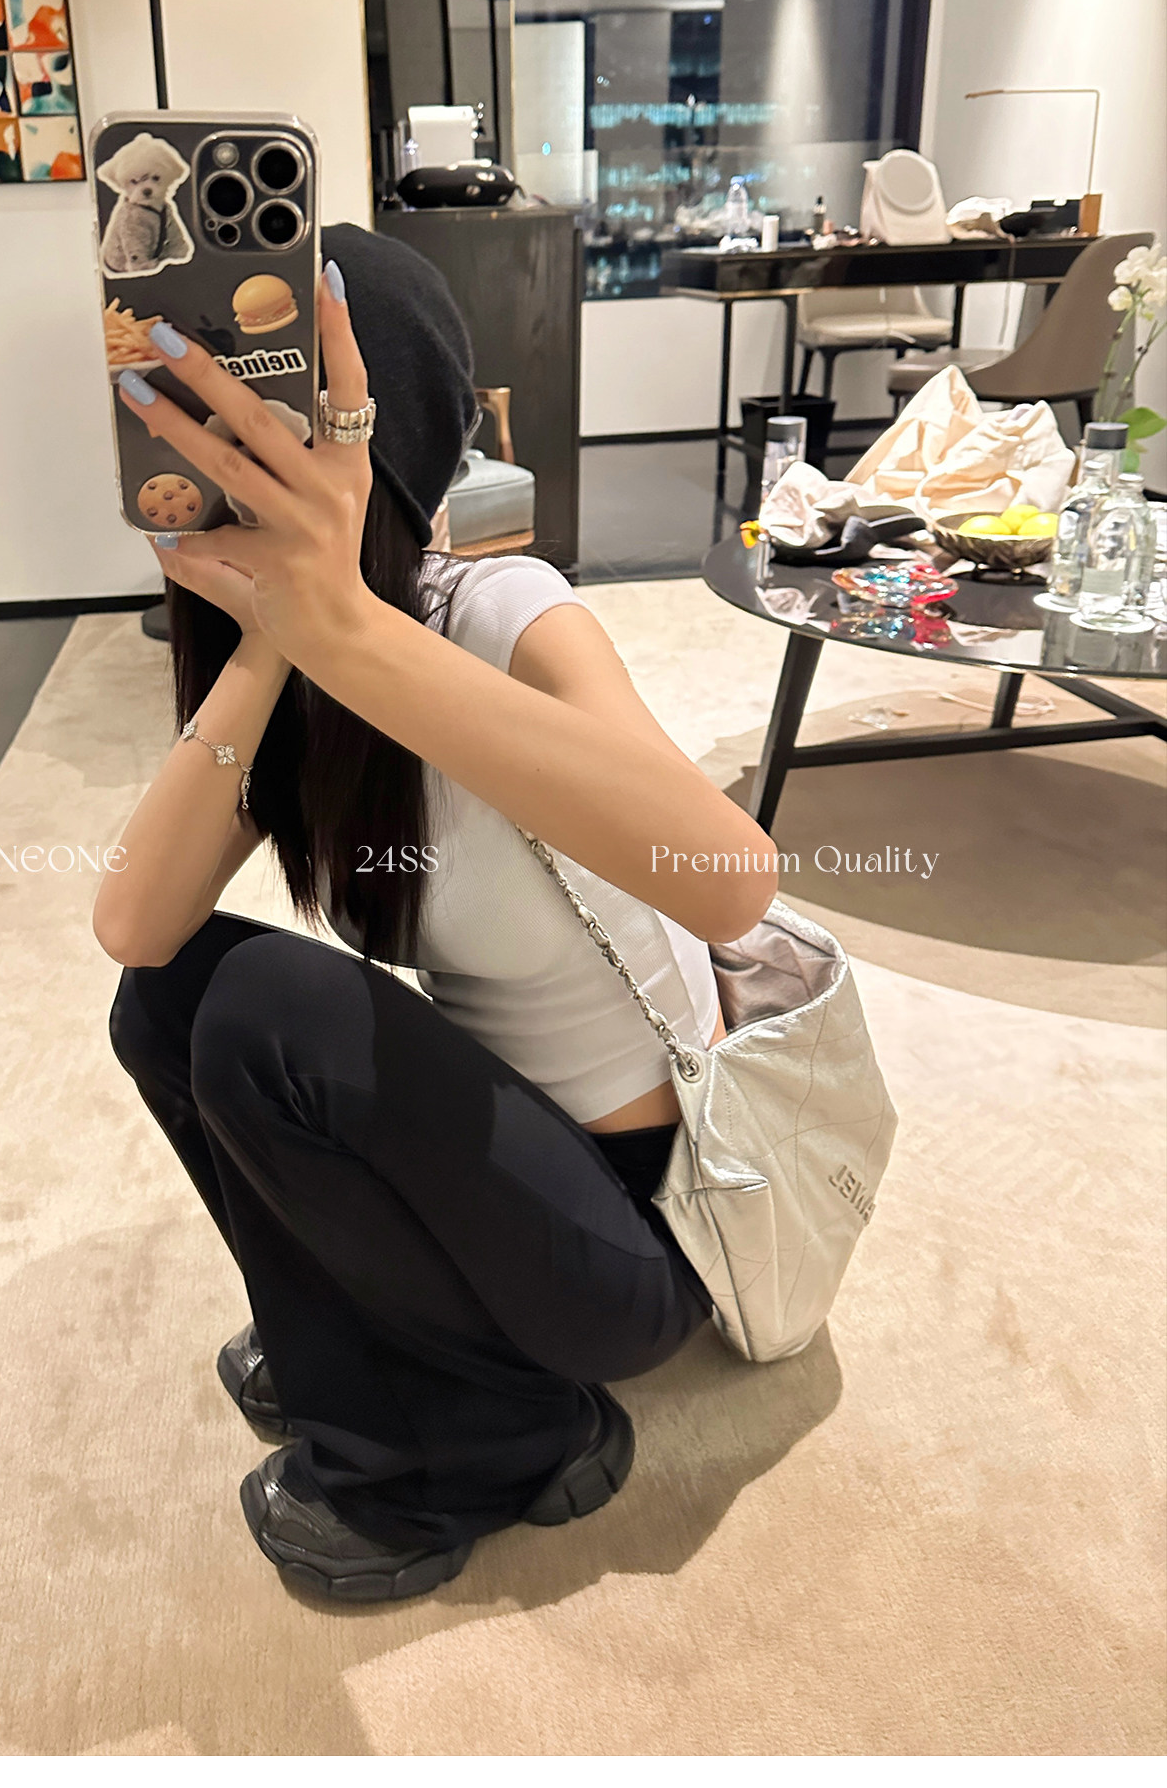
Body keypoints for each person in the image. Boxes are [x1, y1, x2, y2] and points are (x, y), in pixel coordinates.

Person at [96, 225, 778, 1603]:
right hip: (504, 1176)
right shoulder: (303, 673)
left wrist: (348, 621)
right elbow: (138, 929)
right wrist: (281, 632)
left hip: (640, 1235)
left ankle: (486, 1441)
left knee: (270, 1016)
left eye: (267, 438)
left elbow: (731, 880)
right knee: (173, 1002)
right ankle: (373, 1340)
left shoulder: (502, 610)